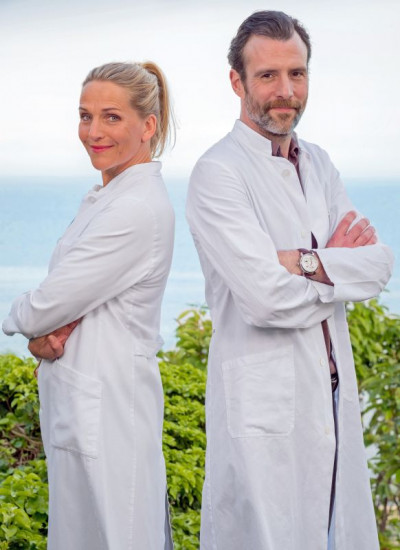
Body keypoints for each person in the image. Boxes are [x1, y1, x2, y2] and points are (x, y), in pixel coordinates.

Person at [186, 11, 393, 550]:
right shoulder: (218, 173)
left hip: (331, 394)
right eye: (268, 75)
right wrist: (332, 264)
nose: (286, 91)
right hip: (264, 407)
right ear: (237, 82)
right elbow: (265, 300)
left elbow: (377, 266)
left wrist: (299, 262)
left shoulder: (319, 163)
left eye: (296, 74)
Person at [3, 61, 175, 550]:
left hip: (111, 410)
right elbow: (60, 303)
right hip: (84, 407)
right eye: (85, 116)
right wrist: (40, 332)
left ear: (148, 126)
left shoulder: (134, 209)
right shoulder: (108, 199)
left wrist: (24, 320)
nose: (93, 132)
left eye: (111, 117)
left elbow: (46, 304)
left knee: (121, 534)